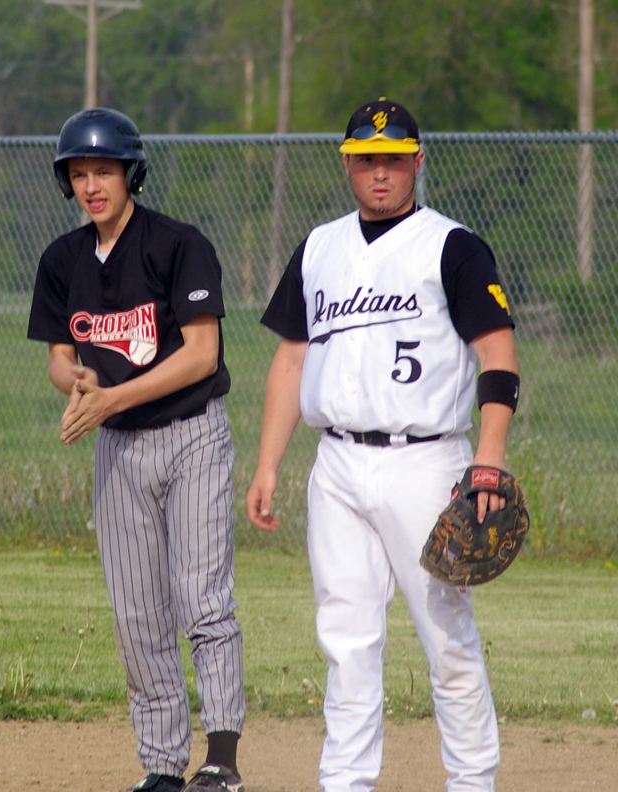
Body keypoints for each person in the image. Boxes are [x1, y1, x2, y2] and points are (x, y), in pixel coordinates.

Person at [246, 98, 520, 792]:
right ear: (346, 164)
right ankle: (345, 782)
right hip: (335, 463)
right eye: (366, 159)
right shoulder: (319, 247)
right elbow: (289, 360)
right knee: (346, 636)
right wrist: (269, 465)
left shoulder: (451, 245)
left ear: (417, 162)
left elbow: (498, 353)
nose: (380, 172)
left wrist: (488, 456)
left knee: (446, 635)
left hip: (425, 461)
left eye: (394, 159)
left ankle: (472, 782)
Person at [27, 107, 245, 792]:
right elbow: (62, 359)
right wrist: (81, 382)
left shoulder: (178, 245)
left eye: (105, 170)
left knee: (202, 600)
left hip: (192, 436)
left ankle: (222, 760)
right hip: (119, 450)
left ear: (132, 174)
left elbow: (202, 355)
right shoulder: (62, 260)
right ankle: (161, 765)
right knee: (138, 612)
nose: (93, 184)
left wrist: (110, 399)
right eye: (80, 172)